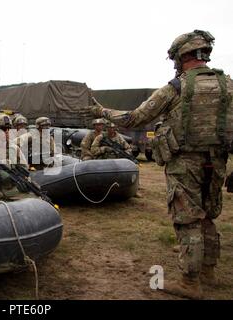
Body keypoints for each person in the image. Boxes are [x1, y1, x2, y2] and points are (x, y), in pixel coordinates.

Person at [88, 30, 233, 299]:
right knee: (208, 216)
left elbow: (134, 118)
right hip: (217, 161)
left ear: (183, 55)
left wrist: (101, 112)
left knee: (188, 219)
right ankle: (209, 271)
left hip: (184, 163)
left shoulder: (177, 87)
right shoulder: (228, 85)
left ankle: (191, 283)